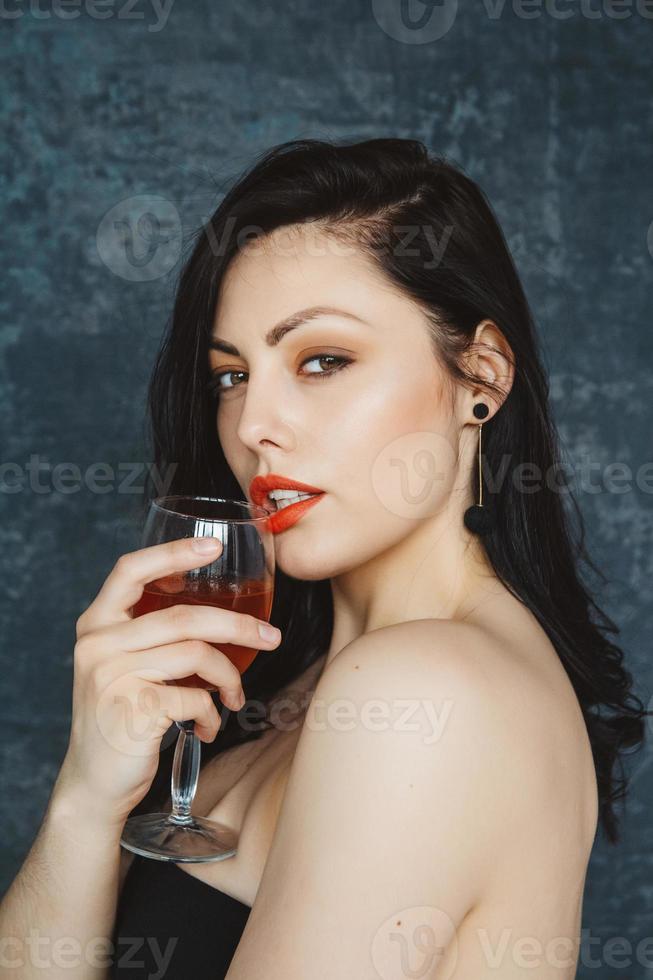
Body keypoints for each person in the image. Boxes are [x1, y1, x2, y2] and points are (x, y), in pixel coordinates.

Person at [1, 137, 648, 979]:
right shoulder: (298, 678)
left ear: (481, 374)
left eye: (322, 361)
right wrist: (87, 799)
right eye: (231, 376)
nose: (254, 425)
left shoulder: (426, 693)